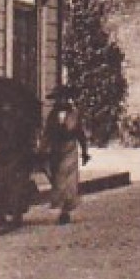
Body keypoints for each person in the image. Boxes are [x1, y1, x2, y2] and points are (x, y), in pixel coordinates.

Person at [0, 75, 40, 229]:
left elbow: (8, 136)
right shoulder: (0, 117)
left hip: (18, 155)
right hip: (5, 154)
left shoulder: (17, 117)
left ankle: (14, 216)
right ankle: (3, 215)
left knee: (15, 186)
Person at [42, 89, 90, 225]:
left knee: (69, 179)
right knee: (57, 180)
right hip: (56, 149)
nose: (61, 101)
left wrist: (85, 151)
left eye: (64, 98)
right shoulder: (52, 115)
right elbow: (47, 133)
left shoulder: (74, 114)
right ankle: (60, 206)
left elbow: (80, 133)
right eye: (59, 98)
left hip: (70, 148)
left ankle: (65, 211)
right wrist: (43, 150)